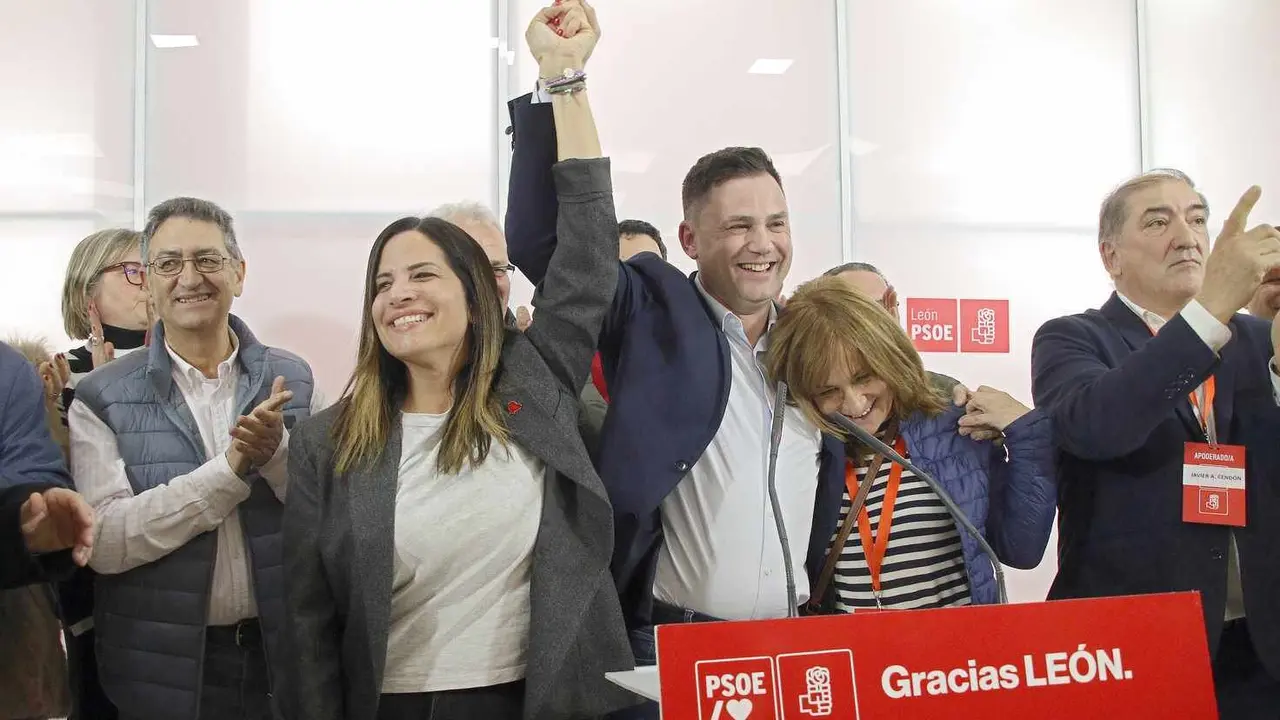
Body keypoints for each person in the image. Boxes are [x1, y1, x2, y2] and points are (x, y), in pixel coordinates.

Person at [279, 8, 633, 719]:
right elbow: (306, 628)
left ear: (476, 297)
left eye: (421, 275)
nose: (398, 295)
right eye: (382, 282)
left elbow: (590, 250)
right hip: (397, 705)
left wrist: (565, 79)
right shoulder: (329, 443)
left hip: (546, 697)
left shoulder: (536, 382)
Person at [507, 7, 844, 717]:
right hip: (672, 652)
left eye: (777, 223)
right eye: (739, 226)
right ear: (689, 238)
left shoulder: (814, 335)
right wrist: (560, 84)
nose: (764, 244)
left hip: (794, 652)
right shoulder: (650, 307)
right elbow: (547, 240)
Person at [1031, 170, 1280, 718]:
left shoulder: (1261, 340)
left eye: (1196, 219)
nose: (1186, 236)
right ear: (1111, 256)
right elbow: (1098, 427)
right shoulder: (1072, 337)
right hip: (1133, 645)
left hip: (1260, 645)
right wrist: (1210, 311)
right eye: (1158, 221)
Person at [69, 197, 322, 720]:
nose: (190, 278)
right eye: (167, 263)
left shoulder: (295, 378)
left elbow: (331, 516)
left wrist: (275, 457)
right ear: (151, 284)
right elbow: (106, 542)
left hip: (282, 659)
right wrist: (229, 473)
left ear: (239, 272)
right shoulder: (101, 395)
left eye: (208, 259)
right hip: (157, 667)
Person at [764, 277, 1055, 611]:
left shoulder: (953, 426)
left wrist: (1027, 436)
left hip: (957, 657)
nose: (855, 404)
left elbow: (1021, 550)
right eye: (828, 391)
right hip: (854, 658)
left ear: (891, 360)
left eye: (864, 378)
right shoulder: (803, 448)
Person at [37, 227, 149, 720]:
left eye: (157, 268)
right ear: (88, 289)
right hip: (90, 590)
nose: (150, 283)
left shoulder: (192, 364)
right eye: (133, 271)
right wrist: (63, 412)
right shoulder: (53, 374)